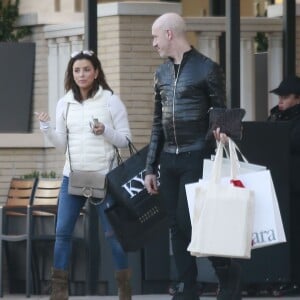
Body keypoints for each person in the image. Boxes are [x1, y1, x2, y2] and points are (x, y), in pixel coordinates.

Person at [144, 13, 241, 300]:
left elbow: (220, 111)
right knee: (175, 225)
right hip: (169, 158)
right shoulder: (160, 74)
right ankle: (188, 287)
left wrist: (221, 133)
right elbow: (156, 122)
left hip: (197, 154)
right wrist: (150, 166)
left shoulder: (206, 68)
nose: (153, 43)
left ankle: (227, 273)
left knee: (191, 222)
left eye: (155, 36)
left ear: (170, 34)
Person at [35, 50, 132, 300]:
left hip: (104, 177)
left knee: (113, 234)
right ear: (71, 74)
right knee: (63, 232)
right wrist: (46, 128)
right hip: (73, 177)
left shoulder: (111, 100)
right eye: (77, 70)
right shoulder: (64, 102)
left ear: (96, 72)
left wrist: (106, 131)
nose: (82, 74)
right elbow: (61, 144)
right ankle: (59, 291)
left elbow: (125, 140)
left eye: (87, 69)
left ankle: (125, 289)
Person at [268, 75, 300, 296]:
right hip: (277, 183)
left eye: (285, 97)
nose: (281, 100)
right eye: (279, 96)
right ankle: (280, 276)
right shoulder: (275, 116)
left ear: (298, 99)